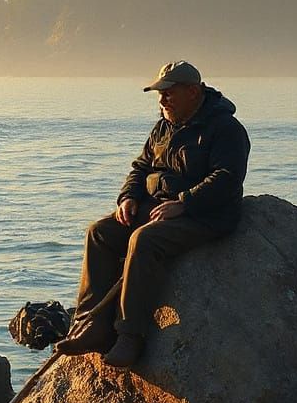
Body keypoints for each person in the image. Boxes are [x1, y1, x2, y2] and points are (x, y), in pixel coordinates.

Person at [57, 60, 251, 369]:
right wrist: (129, 197)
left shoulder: (225, 129)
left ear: (193, 91)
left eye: (169, 94)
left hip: (205, 216)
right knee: (100, 232)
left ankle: (130, 336)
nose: (162, 101)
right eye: (159, 95)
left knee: (144, 240)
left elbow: (227, 179)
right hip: (157, 206)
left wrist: (184, 202)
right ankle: (92, 324)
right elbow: (141, 167)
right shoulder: (164, 126)